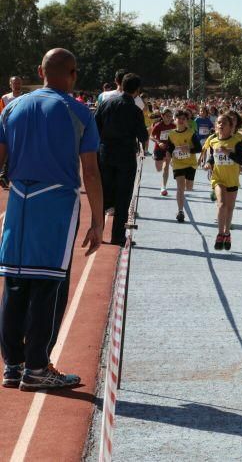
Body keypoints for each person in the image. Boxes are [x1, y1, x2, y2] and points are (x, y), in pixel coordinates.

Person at [0, 48, 103, 390]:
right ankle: (38, 367)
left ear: (39, 70)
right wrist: (98, 220)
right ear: (72, 74)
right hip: (56, 201)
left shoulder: (12, 107)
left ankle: (13, 365)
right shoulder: (78, 112)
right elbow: (90, 170)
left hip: (18, 200)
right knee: (48, 284)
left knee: (15, 282)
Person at [94, 73, 149, 245]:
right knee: (123, 197)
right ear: (137, 90)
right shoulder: (134, 110)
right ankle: (117, 236)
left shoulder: (106, 103)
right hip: (125, 155)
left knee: (103, 194)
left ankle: (96, 233)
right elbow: (142, 135)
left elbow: (95, 125)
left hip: (105, 152)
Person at [202, 113, 242, 250]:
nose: (221, 125)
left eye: (224, 123)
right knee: (222, 204)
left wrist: (229, 153)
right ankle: (220, 234)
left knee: (230, 208)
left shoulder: (237, 141)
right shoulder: (213, 141)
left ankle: (227, 233)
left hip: (232, 179)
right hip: (218, 178)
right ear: (216, 126)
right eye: (219, 123)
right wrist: (208, 164)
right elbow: (212, 157)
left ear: (230, 126)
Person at [166, 109, 202, 223]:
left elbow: (198, 148)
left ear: (186, 120)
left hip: (190, 163)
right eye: (179, 118)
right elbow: (170, 148)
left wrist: (189, 149)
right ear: (174, 120)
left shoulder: (191, 133)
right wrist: (168, 156)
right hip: (178, 163)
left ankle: (181, 206)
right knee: (180, 187)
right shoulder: (171, 134)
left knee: (189, 187)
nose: (181, 121)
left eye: (183, 119)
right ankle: (180, 211)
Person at [150, 108, 176, 196]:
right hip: (158, 149)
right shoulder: (158, 125)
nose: (169, 118)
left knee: (166, 167)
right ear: (162, 116)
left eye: (170, 116)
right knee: (158, 169)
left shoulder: (173, 126)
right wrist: (159, 142)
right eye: (167, 116)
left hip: (168, 149)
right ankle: (154, 156)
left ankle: (163, 187)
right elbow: (151, 136)